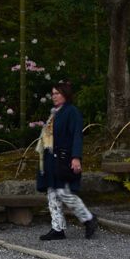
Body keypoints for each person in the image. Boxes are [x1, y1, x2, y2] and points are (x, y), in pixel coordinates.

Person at [35, 82, 98, 240]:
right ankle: (57, 228)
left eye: (57, 93)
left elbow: (77, 135)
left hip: (63, 157)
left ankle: (88, 218)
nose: (54, 96)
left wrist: (76, 157)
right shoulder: (54, 113)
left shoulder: (72, 112)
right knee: (52, 193)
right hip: (50, 158)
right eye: (52, 93)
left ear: (65, 94)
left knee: (64, 192)